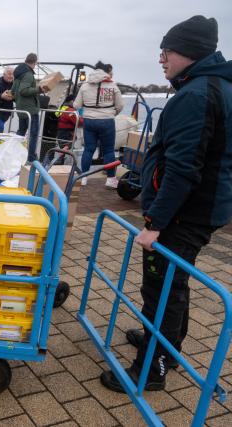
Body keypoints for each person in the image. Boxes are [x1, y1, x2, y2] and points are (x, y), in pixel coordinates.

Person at [100, 15, 232, 393]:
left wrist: (155, 222)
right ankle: (166, 349)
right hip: (197, 210)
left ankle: (151, 370)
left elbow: (183, 168)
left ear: (189, 52)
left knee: (161, 290)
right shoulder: (208, 86)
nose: (161, 58)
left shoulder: (196, 94)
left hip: (183, 215)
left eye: (167, 51)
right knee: (174, 283)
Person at [73, 61, 123, 187]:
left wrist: (87, 112)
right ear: (106, 71)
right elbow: (120, 105)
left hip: (89, 121)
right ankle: (110, 179)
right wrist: (112, 113)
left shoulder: (85, 86)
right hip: (107, 121)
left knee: (88, 149)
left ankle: (84, 178)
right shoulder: (112, 86)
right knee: (108, 151)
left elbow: (76, 105)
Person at [12, 53, 43, 162]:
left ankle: (13, 153)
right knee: (33, 135)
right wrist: (38, 90)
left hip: (21, 109)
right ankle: (31, 158)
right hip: (30, 110)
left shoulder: (18, 73)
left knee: (20, 133)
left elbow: (14, 91)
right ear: (35, 62)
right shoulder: (28, 74)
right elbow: (23, 90)